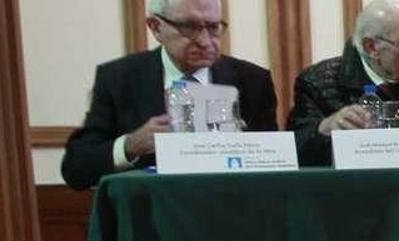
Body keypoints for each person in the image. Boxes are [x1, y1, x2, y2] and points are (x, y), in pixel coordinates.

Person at [61, 0, 277, 189]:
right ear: (156, 27)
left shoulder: (253, 81)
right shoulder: (119, 79)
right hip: (151, 222)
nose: (204, 41)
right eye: (190, 27)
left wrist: (249, 147)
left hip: (233, 219)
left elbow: (276, 166)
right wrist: (130, 146)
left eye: (213, 27)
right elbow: (75, 169)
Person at [287, 1, 399, 166]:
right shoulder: (316, 82)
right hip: (346, 190)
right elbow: (294, 151)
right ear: (372, 47)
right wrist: (323, 129)